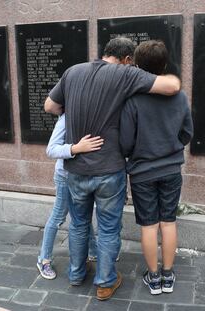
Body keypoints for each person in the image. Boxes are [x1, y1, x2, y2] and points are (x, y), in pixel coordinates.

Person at [44, 37, 181, 300]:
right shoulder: (125, 73)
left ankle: (76, 273)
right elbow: (172, 85)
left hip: (75, 169)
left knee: (78, 223)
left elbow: (50, 106)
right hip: (109, 170)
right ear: (128, 59)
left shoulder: (73, 71)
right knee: (107, 228)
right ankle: (105, 282)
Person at [119, 40, 193, 295]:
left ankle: (153, 277)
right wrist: (171, 146)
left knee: (149, 225)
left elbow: (126, 142)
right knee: (168, 222)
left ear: (138, 66)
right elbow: (187, 133)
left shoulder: (133, 99)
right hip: (171, 169)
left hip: (142, 172)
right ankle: (168, 275)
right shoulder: (179, 96)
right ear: (164, 65)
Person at [37, 113, 103, 279]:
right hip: (66, 177)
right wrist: (76, 148)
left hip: (84, 176)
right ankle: (43, 259)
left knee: (82, 216)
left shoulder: (90, 113)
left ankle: (93, 251)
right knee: (58, 216)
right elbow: (51, 149)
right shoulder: (67, 118)